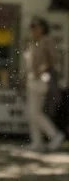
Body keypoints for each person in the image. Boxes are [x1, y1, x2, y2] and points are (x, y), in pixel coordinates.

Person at [24, 18, 65, 152]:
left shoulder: (46, 41)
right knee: (32, 112)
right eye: (32, 28)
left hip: (41, 79)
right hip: (32, 79)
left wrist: (42, 69)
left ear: (42, 28)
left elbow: (54, 59)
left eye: (36, 27)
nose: (33, 30)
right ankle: (37, 142)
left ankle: (55, 135)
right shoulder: (33, 43)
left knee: (35, 112)